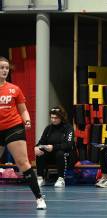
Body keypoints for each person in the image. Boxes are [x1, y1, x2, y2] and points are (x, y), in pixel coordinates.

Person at [0, 56, 46, 209]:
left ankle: (39, 198)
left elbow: (23, 109)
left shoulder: (14, 89)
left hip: (13, 127)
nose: (4, 70)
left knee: (23, 163)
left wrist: (27, 119)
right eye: (1, 67)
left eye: (6, 68)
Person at [35, 106, 76, 188]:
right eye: (52, 118)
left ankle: (61, 179)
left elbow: (68, 144)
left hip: (66, 156)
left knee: (60, 153)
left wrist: (53, 147)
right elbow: (41, 142)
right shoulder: (48, 128)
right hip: (51, 156)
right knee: (40, 152)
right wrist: (36, 147)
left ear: (61, 117)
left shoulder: (68, 128)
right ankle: (40, 178)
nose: (53, 120)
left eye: (56, 118)